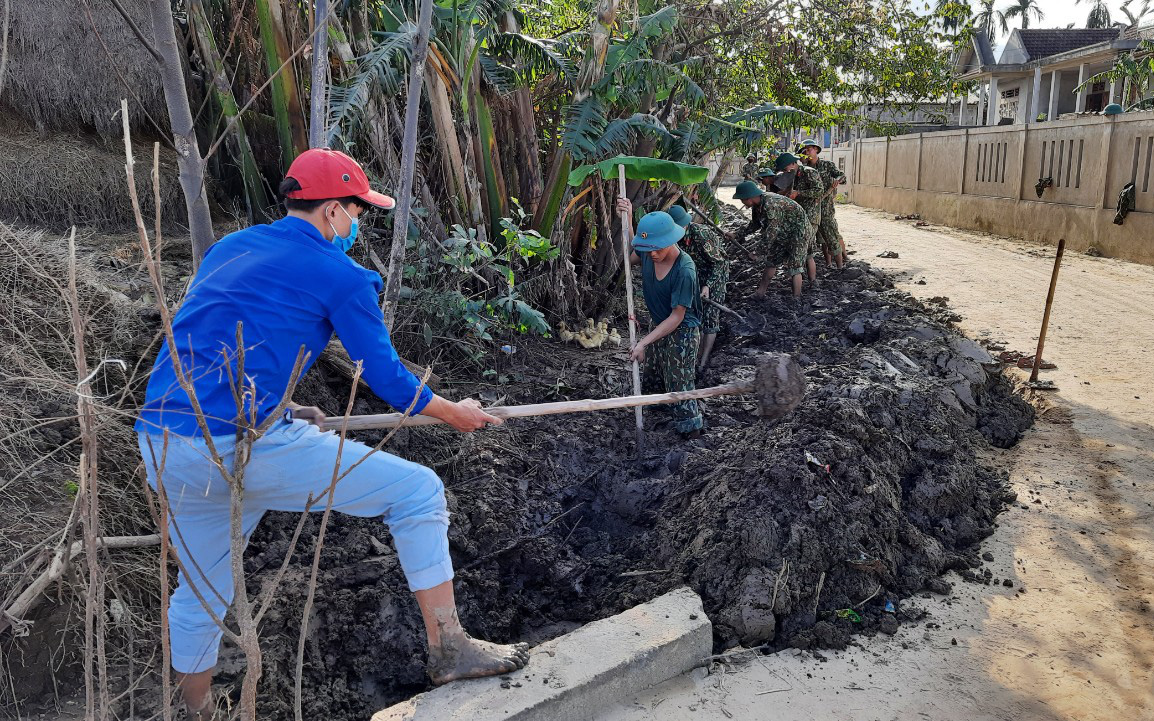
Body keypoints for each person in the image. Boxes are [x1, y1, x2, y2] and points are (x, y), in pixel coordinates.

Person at [135, 148, 529, 719]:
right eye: (356, 211)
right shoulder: (340, 275)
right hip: (241, 446)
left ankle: (195, 712)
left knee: (199, 595)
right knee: (418, 493)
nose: (358, 223)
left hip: (165, 441)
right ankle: (450, 647)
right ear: (331, 213)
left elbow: (218, 342)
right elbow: (388, 377)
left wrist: (287, 407)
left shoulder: (229, 249)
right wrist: (452, 411)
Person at [616, 199, 705, 438]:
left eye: (657, 248)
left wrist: (643, 342)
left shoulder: (684, 270)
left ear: (671, 240)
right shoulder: (648, 253)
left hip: (682, 332)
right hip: (659, 325)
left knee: (679, 384)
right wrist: (627, 216)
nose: (652, 254)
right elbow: (630, 255)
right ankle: (657, 424)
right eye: (648, 248)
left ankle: (691, 433)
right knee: (654, 375)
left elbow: (677, 317)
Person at [667, 205, 729, 372]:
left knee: (710, 317)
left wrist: (708, 285)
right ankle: (694, 357)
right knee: (696, 315)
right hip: (695, 275)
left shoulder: (702, 235)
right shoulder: (673, 239)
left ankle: (704, 360)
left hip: (715, 276)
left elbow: (719, 263)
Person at [732, 180, 810, 300]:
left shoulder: (770, 204)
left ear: (749, 197)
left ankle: (796, 298)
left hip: (798, 231)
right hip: (782, 231)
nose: (742, 202)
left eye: (742, 199)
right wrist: (736, 234)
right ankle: (760, 293)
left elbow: (771, 232)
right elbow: (755, 224)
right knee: (771, 261)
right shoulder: (757, 206)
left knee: (795, 265)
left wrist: (758, 252)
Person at [771, 152, 821, 286]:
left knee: (807, 251)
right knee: (803, 251)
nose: (784, 171)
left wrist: (799, 193)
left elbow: (819, 191)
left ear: (792, 164)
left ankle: (811, 281)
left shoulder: (809, 172)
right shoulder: (793, 175)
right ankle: (802, 278)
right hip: (799, 216)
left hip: (811, 216)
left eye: (784, 168)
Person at [797, 139, 846, 269]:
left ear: (816, 150)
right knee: (817, 238)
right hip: (810, 209)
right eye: (804, 150)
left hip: (825, 208)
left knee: (830, 235)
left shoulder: (827, 165)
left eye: (809, 149)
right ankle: (828, 264)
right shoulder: (803, 170)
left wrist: (837, 180)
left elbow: (842, 176)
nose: (807, 152)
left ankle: (841, 265)